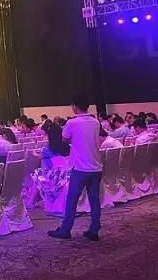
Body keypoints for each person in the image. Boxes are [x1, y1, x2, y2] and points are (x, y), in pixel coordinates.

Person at [49, 94, 102, 241]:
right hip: (96, 167)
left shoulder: (72, 123)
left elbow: (65, 139)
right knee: (94, 200)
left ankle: (65, 229)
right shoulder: (95, 122)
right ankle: (94, 229)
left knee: (72, 199)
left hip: (80, 168)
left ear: (75, 106)